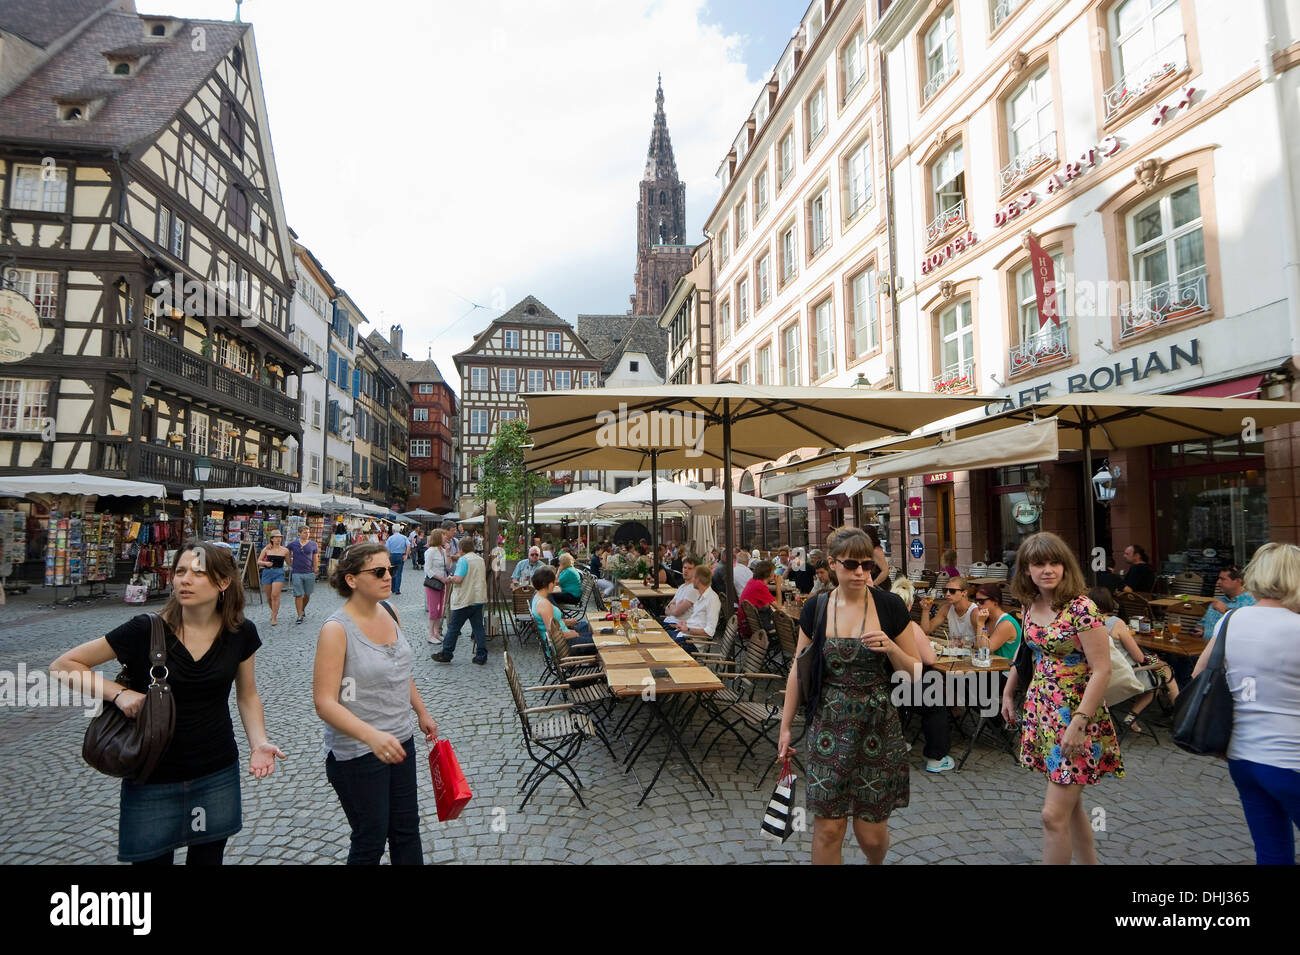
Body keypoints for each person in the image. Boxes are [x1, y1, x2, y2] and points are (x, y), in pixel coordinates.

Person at [51, 541, 285, 865]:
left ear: (223, 582)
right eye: (180, 571)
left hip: (215, 770)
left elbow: (247, 695)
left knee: (208, 860)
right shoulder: (144, 630)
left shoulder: (240, 632)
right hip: (153, 775)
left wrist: (258, 742)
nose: (184, 580)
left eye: (198, 573)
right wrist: (118, 694)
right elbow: (65, 665)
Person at [777, 527, 920, 864]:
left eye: (867, 566)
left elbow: (914, 673)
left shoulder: (890, 606)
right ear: (832, 564)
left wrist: (892, 649)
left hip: (878, 727)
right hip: (829, 726)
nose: (860, 572)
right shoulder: (817, 608)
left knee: (870, 835)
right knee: (828, 829)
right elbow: (798, 670)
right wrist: (785, 727)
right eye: (851, 564)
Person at [1000, 531, 1122, 865]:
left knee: (1052, 815)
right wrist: (1009, 693)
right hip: (1043, 712)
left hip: (1077, 714)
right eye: (1038, 563)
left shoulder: (1082, 609)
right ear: (1026, 570)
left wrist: (1080, 722)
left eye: (1055, 562)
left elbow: (1102, 670)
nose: (1048, 570)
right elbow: (1027, 654)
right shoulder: (1030, 604)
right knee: (1071, 806)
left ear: (1066, 566)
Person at [313, 542, 438, 865]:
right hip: (357, 752)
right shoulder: (336, 629)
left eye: (390, 570)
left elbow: (399, 669)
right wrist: (372, 736)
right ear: (352, 580)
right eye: (379, 571)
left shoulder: (389, 611)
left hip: (400, 740)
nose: (388, 576)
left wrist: (421, 711)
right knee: (371, 838)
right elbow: (325, 703)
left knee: (406, 830)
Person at [1192, 542, 1300, 865]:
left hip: (1243, 757)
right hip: (1291, 759)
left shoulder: (1232, 620)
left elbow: (1199, 676)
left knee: (1272, 854)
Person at [1089, 586, 1178, 735]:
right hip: (1128, 672)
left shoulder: (1087, 624)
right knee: (1166, 671)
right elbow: (1139, 657)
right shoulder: (1116, 623)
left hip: (1103, 674)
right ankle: (1181, 719)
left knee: (1157, 676)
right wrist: (1155, 660)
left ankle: (1132, 717)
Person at [891, 578, 954, 773]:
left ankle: (898, 741)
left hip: (890, 685)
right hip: (909, 686)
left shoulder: (881, 623)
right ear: (909, 607)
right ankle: (936, 757)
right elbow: (930, 659)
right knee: (935, 705)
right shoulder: (910, 627)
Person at [432, 536, 488, 665]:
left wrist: (451, 578)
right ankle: (482, 655)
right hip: (478, 598)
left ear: (461, 548)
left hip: (464, 599)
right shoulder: (480, 560)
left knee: (453, 628)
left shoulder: (464, 560)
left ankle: (446, 653)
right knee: (478, 628)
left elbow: (458, 579)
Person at [530, 566, 593, 651]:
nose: (557, 582)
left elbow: (552, 625)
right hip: (565, 646)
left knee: (596, 633)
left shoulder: (538, 597)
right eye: (554, 580)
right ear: (548, 584)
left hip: (564, 640)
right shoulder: (544, 604)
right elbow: (553, 634)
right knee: (600, 641)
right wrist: (574, 634)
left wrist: (569, 626)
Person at [667, 564, 721, 653]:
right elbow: (697, 621)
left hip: (693, 643)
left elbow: (710, 631)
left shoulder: (712, 599)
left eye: (694, 577)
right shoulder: (700, 595)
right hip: (684, 636)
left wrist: (688, 629)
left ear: (698, 580)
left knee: (663, 648)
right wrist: (685, 624)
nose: (692, 580)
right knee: (661, 638)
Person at [1195, 566, 1256, 636]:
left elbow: (1249, 629)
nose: (1218, 582)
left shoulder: (1252, 603)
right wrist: (1199, 630)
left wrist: (1226, 611)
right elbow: (1201, 625)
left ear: (1238, 581)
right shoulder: (1218, 601)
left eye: (1222, 579)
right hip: (1204, 645)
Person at [919, 577, 977, 644]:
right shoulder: (946, 608)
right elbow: (925, 631)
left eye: (952, 591)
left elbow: (981, 642)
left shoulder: (974, 611)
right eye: (945, 590)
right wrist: (925, 610)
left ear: (964, 593)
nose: (947, 594)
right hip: (953, 651)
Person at [973, 582, 1022, 662]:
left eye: (981, 601)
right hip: (989, 668)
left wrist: (980, 623)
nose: (977, 604)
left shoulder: (1006, 623)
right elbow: (979, 644)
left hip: (1005, 671)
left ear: (995, 601)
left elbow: (985, 649)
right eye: (976, 600)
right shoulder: (987, 619)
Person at [257, 529, 291, 627]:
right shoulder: (267, 549)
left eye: (279, 537)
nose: (278, 539)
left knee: (275, 595)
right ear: (271, 539)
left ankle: (274, 617)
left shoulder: (285, 550)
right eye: (276, 537)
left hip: (279, 572)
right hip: (267, 572)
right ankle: (273, 612)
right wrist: (265, 563)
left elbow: (289, 563)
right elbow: (258, 561)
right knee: (268, 597)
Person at [288, 525, 320, 626]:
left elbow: (315, 557)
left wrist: (316, 568)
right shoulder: (293, 544)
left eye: (308, 532)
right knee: (298, 594)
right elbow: (285, 552)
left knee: (307, 595)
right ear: (299, 533)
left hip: (309, 572)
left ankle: (302, 609)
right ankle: (299, 615)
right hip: (297, 572)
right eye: (305, 532)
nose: (307, 534)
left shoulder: (313, 544)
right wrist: (289, 563)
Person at [423, 529, 451, 646]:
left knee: (440, 609)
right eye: (443, 535)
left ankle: (436, 632)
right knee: (433, 609)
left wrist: (448, 552)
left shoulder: (443, 551)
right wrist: (440, 578)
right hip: (433, 583)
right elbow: (427, 569)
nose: (445, 537)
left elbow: (448, 566)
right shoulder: (430, 551)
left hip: (442, 582)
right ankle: (430, 635)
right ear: (438, 537)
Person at [738, 559, 778, 639]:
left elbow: (768, 603)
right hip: (753, 629)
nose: (774, 574)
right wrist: (779, 585)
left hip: (745, 624)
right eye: (773, 572)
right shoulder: (760, 585)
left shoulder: (753, 581)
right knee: (792, 624)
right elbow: (779, 606)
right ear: (769, 574)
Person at [662, 555, 700, 627]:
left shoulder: (694, 589)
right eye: (684, 568)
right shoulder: (682, 587)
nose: (686, 570)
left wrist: (673, 608)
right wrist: (674, 608)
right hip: (668, 620)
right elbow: (667, 609)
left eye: (690, 568)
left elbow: (677, 612)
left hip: (677, 626)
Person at [383, 525, 411, 595]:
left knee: (392, 572)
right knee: (399, 573)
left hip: (392, 556)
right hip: (400, 555)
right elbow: (408, 545)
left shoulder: (390, 538)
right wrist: (406, 555)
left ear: (393, 530)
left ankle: (392, 588)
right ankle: (397, 589)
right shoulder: (404, 537)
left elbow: (386, 548)